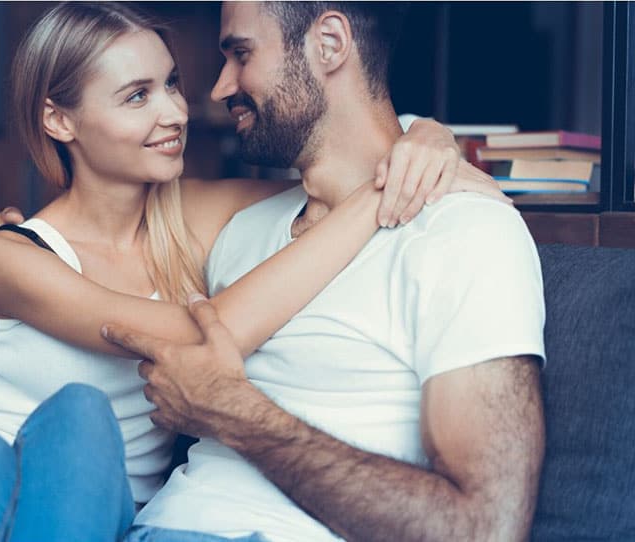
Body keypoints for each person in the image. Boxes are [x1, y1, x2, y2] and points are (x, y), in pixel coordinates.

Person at [0, 3, 504, 542]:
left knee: (79, 423)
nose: (176, 113)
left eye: (171, 85)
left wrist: (425, 139)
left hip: (95, 517)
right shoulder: (7, 256)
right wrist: (377, 200)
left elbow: (339, 172)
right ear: (58, 119)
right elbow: (193, 339)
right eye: (137, 96)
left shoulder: (199, 218)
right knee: (3, 445)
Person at [98, 2, 546, 542]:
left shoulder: (464, 233)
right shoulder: (238, 226)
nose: (219, 88)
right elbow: (75, 241)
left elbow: (487, 528)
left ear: (330, 43)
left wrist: (233, 412)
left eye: (241, 54)